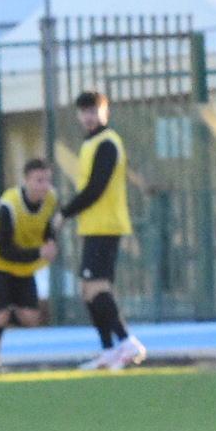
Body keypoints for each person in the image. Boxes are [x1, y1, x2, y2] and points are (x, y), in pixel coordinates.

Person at [61, 90, 145, 371]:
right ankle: (109, 350)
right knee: (88, 290)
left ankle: (126, 340)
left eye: (94, 110)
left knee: (97, 286)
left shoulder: (108, 143)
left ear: (106, 112)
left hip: (106, 224)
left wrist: (65, 213)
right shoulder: (91, 143)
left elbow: (96, 188)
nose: (89, 116)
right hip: (94, 225)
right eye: (84, 111)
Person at [0, 156, 59, 373]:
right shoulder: (9, 205)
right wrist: (38, 252)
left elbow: (47, 225)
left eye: (47, 180)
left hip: (24, 264)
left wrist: (51, 242)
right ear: (25, 181)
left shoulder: (50, 199)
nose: (44, 186)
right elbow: (5, 250)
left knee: (31, 318)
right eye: (38, 180)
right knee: (1, 315)